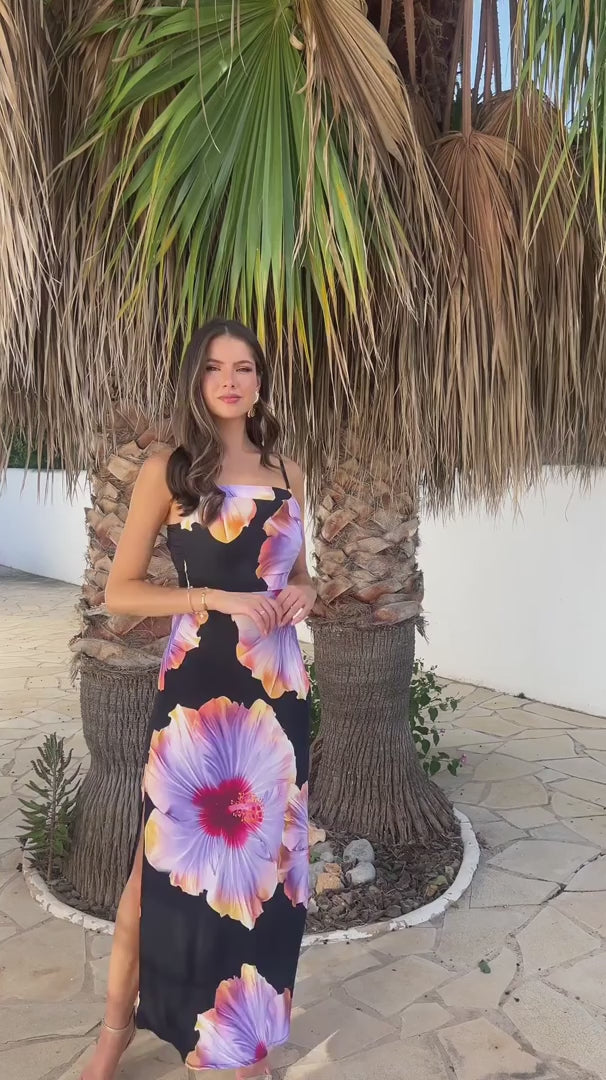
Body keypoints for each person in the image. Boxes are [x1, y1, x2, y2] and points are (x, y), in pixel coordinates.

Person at [81, 319, 316, 1080]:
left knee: (262, 880)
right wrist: (215, 597)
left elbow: (296, 573)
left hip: (275, 697)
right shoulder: (170, 470)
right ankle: (115, 1034)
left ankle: (239, 1042)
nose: (230, 381)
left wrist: (306, 593)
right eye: (215, 367)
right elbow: (121, 592)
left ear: (260, 381)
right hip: (195, 697)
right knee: (155, 877)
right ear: (197, 379)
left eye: (244, 368)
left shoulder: (289, 471)